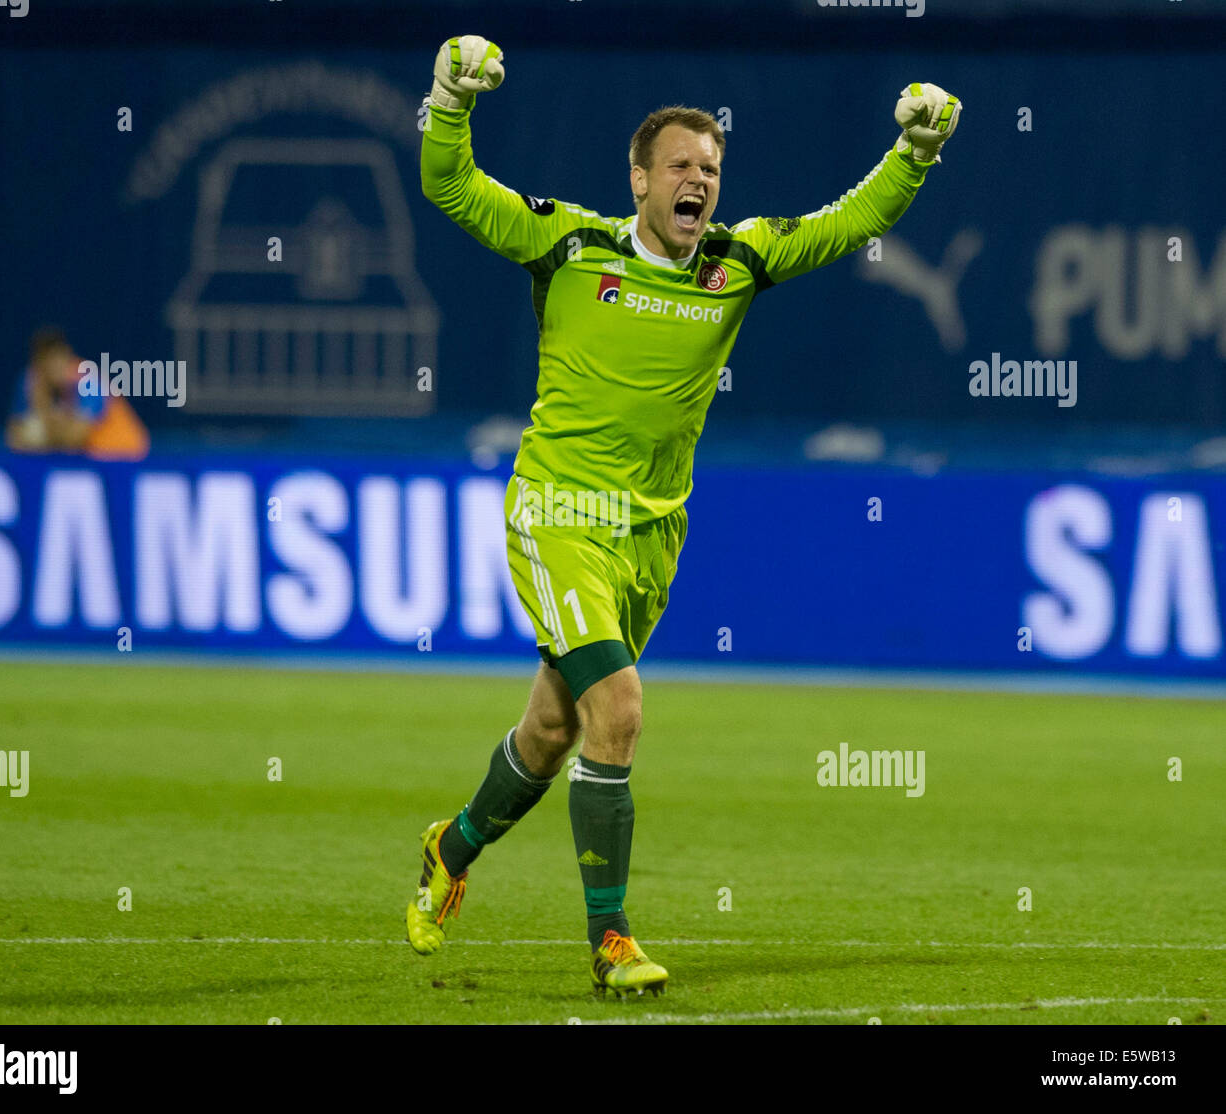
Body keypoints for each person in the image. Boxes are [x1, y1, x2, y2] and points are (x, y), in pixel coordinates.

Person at [408, 35, 960, 997]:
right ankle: (610, 941)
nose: (698, 181)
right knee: (616, 712)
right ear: (640, 179)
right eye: (681, 166)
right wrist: (449, 100)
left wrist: (911, 155)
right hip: (558, 512)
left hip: (655, 533)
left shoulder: (739, 262)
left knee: (550, 731)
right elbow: (454, 189)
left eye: (710, 167)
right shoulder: (569, 245)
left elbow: (847, 222)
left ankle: (450, 847)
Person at [6, 328, 149, 461]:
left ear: (67, 355)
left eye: (58, 359)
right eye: (46, 363)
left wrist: (43, 417)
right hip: (88, 460)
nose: (54, 368)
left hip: (124, 455)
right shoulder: (31, 381)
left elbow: (75, 438)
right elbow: (14, 437)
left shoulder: (88, 381)